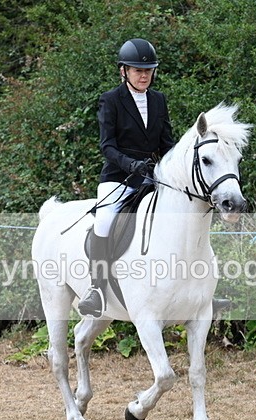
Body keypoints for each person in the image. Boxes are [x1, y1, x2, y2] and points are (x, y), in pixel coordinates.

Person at [78, 38, 176, 318]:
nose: (144, 75)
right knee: (105, 218)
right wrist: (131, 163)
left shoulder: (158, 100)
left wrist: (169, 169)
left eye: (148, 70)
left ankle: (192, 289)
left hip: (151, 177)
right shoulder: (111, 99)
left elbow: (166, 144)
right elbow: (106, 145)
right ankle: (96, 288)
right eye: (137, 70)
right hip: (119, 176)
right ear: (124, 71)